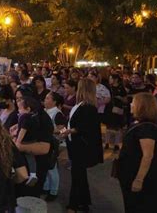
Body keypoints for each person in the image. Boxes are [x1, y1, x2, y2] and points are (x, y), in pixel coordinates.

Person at [118, 92, 157, 213]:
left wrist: (139, 180)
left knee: (141, 206)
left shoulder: (147, 128)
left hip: (142, 177)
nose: (131, 104)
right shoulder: (139, 124)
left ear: (142, 106)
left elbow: (148, 156)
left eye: (134, 102)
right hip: (131, 172)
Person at [61, 78, 103, 213]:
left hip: (81, 147)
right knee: (80, 175)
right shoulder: (81, 105)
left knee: (77, 175)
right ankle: (84, 202)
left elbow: (86, 127)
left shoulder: (88, 108)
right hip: (75, 144)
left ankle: (74, 205)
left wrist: (70, 131)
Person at [43, 92, 67, 201]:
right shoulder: (45, 111)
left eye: (48, 98)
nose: (45, 100)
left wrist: (50, 130)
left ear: (54, 102)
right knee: (47, 167)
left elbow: (63, 130)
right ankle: (46, 187)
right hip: (46, 142)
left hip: (54, 144)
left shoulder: (57, 114)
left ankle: (53, 191)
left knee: (52, 168)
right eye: (45, 98)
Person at [16, 97, 42, 187]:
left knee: (17, 157)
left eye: (20, 108)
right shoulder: (34, 117)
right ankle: (33, 174)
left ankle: (19, 173)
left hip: (25, 141)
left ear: (28, 109)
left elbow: (23, 130)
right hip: (33, 140)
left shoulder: (24, 117)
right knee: (31, 158)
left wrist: (18, 141)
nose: (19, 110)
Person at [104, 74, 127, 152]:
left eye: (111, 78)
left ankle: (116, 144)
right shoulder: (108, 87)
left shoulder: (121, 88)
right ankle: (107, 143)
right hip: (109, 109)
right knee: (108, 126)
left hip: (118, 108)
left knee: (118, 127)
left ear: (116, 79)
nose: (110, 80)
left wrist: (120, 98)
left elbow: (125, 100)